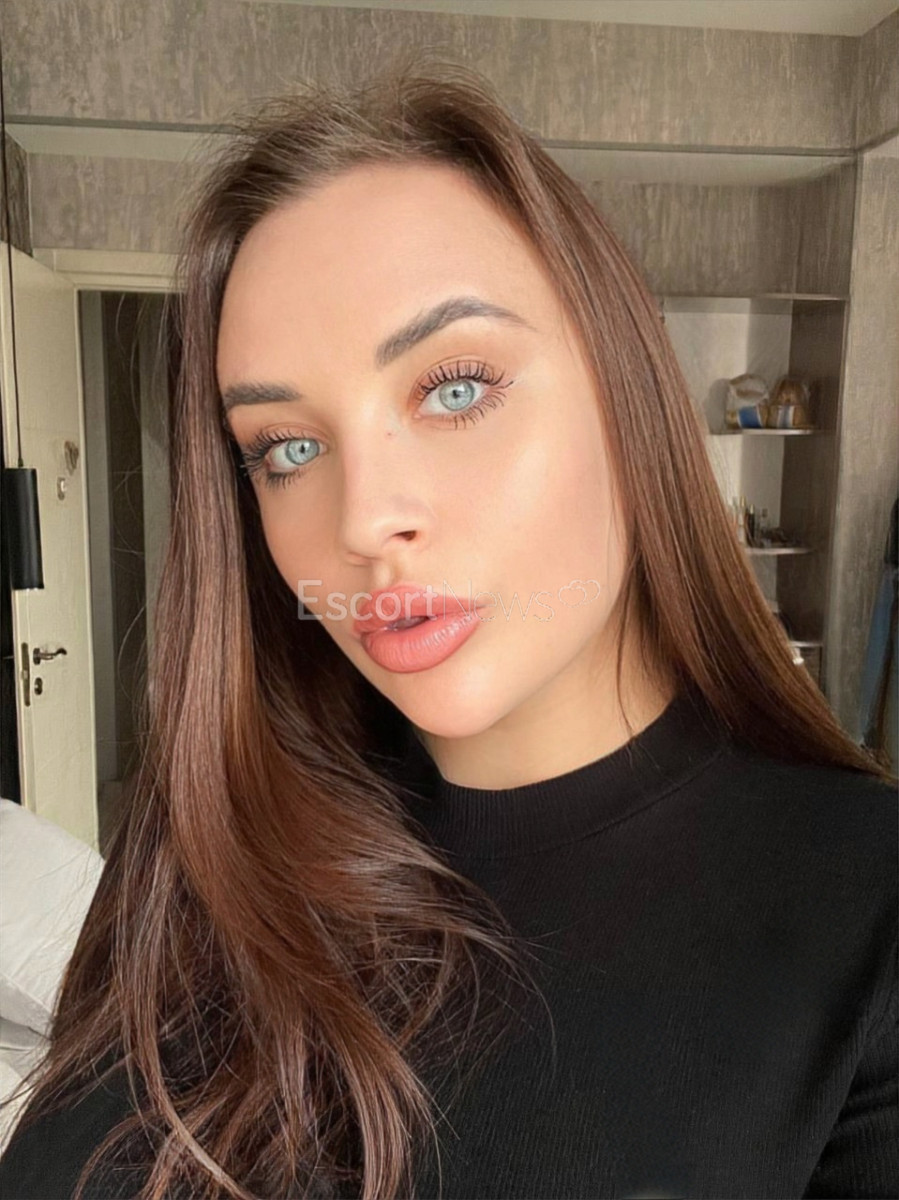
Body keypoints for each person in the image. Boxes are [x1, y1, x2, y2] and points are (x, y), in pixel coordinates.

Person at [1, 53, 896, 1200]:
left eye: (455, 387)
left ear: (627, 399)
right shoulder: (209, 838)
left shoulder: (861, 907)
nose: (363, 520)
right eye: (286, 447)